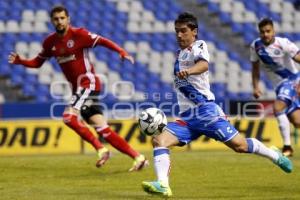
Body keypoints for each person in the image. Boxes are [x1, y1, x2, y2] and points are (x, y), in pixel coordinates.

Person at [141, 12, 293, 197]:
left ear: (194, 31)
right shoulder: (179, 54)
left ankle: (274, 155)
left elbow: (204, 65)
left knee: (240, 146)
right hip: (187, 117)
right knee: (159, 141)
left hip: (206, 112)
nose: (179, 35)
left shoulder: (199, 46)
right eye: (176, 31)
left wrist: (189, 72)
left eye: (183, 31)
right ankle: (163, 185)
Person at [8, 5, 148, 171]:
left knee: (68, 117)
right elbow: (37, 62)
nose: (59, 21)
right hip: (79, 89)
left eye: (62, 18)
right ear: (52, 21)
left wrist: (121, 51)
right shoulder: (50, 42)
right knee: (102, 128)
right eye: (56, 19)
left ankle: (101, 149)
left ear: (68, 19)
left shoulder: (79, 34)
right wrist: (21, 61)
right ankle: (138, 158)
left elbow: (102, 40)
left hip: (88, 83)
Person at [250, 17, 300, 156]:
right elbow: (255, 68)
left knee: (277, 107)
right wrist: (255, 86)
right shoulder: (256, 46)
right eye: (262, 32)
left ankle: (287, 147)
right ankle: (288, 146)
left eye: (268, 31)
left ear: (273, 31)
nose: (265, 34)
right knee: (297, 122)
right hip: (279, 86)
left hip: (292, 80)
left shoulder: (283, 43)